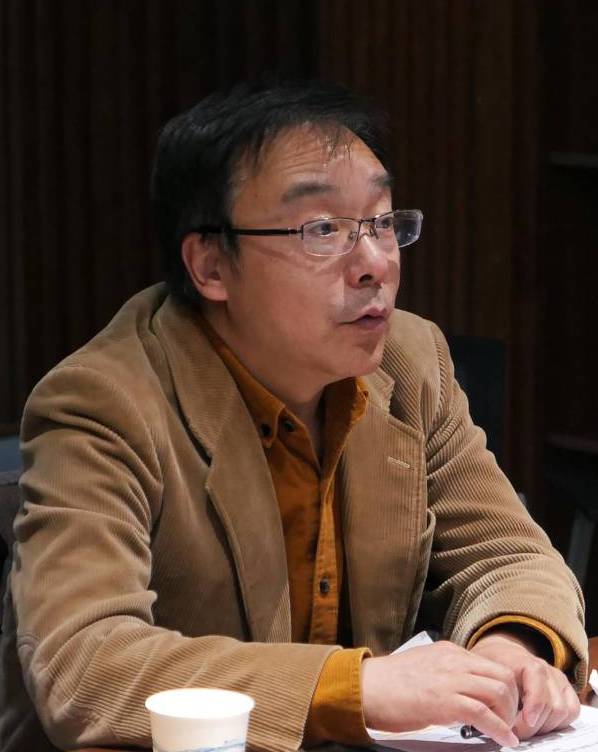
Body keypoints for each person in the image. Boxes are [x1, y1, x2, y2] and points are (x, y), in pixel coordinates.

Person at [0, 79, 588, 752]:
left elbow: (507, 553)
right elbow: (85, 665)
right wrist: (354, 688)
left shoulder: (410, 361)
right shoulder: (103, 403)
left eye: (383, 222)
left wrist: (509, 650)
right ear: (211, 266)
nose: (374, 264)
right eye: (323, 230)